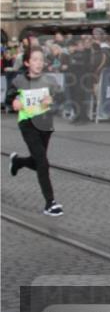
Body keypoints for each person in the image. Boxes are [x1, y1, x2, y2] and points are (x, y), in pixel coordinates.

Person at [6, 47, 64, 216]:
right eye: (35, 60)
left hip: (45, 124)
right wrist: (14, 102)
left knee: (38, 160)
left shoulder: (49, 80)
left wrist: (52, 99)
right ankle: (50, 203)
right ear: (27, 63)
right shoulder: (19, 81)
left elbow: (61, 96)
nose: (39, 63)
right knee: (43, 163)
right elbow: (9, 98)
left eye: (41, 60)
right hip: (28, 124)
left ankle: (18, 162)